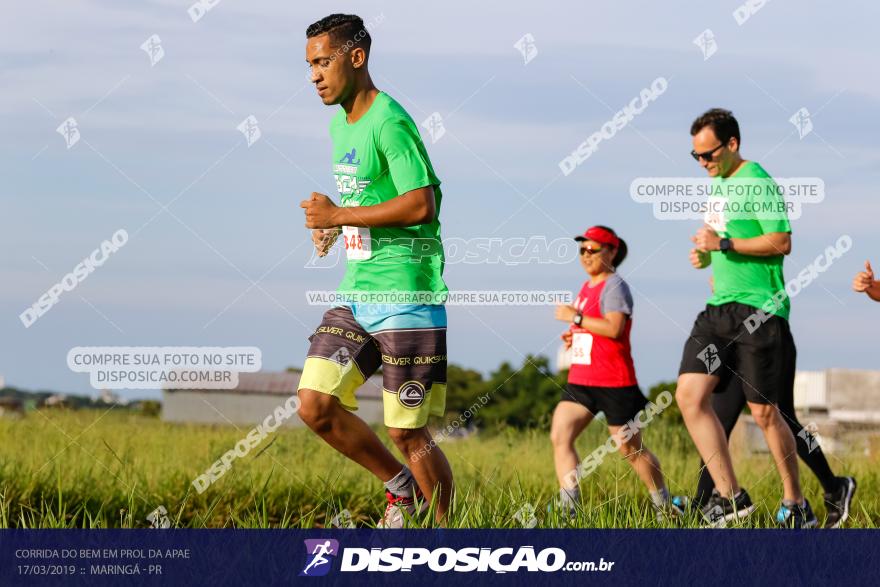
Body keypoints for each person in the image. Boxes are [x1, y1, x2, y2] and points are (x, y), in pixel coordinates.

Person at [297, 14, 453, 527]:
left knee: (407, 432)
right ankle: (399, 489)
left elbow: (420, 204)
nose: (315, 75)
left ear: (356, 57)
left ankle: (448, 539)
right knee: (314, 405)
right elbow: (372, 199)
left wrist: (339, 214)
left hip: (407, 294)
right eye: (310, 65)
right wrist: (336, 226)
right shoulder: (341, 122)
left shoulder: (390, 120)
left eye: (323, 62)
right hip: (359, 291)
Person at [676, 108, 817, 527]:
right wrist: (705, 254)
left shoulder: (757, 181)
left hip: (759, 310)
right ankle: (731, 496)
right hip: (718, 310)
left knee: (765, 414)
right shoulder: (718, 186)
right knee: (689, 396)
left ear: (732, 144)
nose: (704, 163)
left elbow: (781, 241)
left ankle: (796, 504)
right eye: (696, 156)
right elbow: (716, 239)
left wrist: (724, 243)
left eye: (709, 154)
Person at [551, 226, 671, 519]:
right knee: (560, 435)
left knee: (629, 448)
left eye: (593, 249)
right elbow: (593, 327)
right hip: (581, 380)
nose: (586, 255)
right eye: (582, 250)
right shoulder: (586, 287)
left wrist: (576, 317)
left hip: (614, 381)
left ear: (612, 251)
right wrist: (574, 333)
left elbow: (614, 328)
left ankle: (663, 506)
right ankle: (569, 510)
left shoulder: (615, 286)